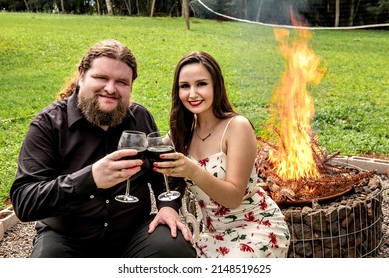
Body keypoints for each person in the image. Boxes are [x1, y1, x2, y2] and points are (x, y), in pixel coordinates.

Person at [10, 39, 196, 258]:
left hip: (133, 236)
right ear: (81, 75)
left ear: (131, 85)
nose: (110, 89)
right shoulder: (49, 124)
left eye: (121, 82)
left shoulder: (140, 118)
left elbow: (165, 171)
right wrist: (90, 178)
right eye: (101, 78)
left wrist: (168, 206)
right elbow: (24, 201)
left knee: (175, 248)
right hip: (67, 238)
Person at [153, 51, 290, 258]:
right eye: (184, 86)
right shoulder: (181, 134)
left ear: (216, 85)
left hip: (256, 226)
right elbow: (148, 151)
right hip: (212, 235)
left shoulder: (237, 127)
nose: (192, 94)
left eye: (201, 84)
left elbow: (234, 197)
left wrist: (192, 170)